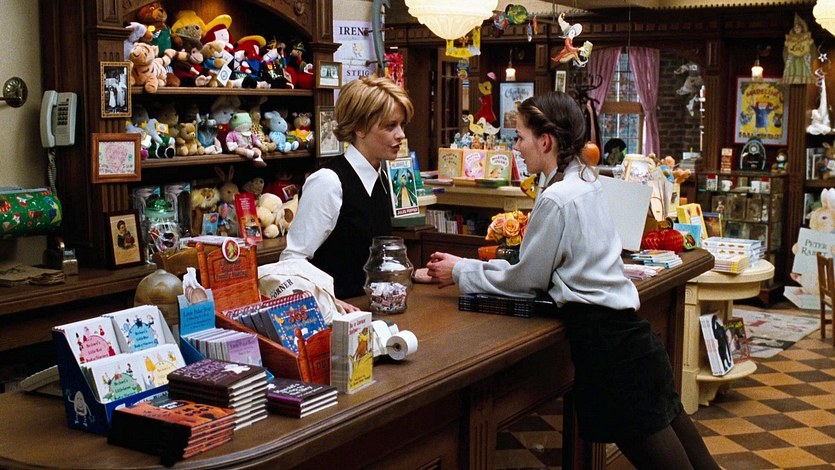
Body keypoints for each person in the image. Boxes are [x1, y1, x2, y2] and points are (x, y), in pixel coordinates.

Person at [426, 91, 719, 469]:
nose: (516, 148)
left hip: (610, 352)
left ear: (545, 141)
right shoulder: (587, 180)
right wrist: (466, 265)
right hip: (635, 343)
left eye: (520, 137)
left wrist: (460, 271)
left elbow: (526, 279)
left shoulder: (557, 197)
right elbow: (537, 268)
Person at [279, 75, 414, 310]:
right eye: (390, 126)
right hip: (336, 315)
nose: (401, 134)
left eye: (402, 125)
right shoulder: (328, 181)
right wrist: (329, 301)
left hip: (372, 310)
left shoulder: (381, 177)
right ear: (359, 128)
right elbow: (292, 261)